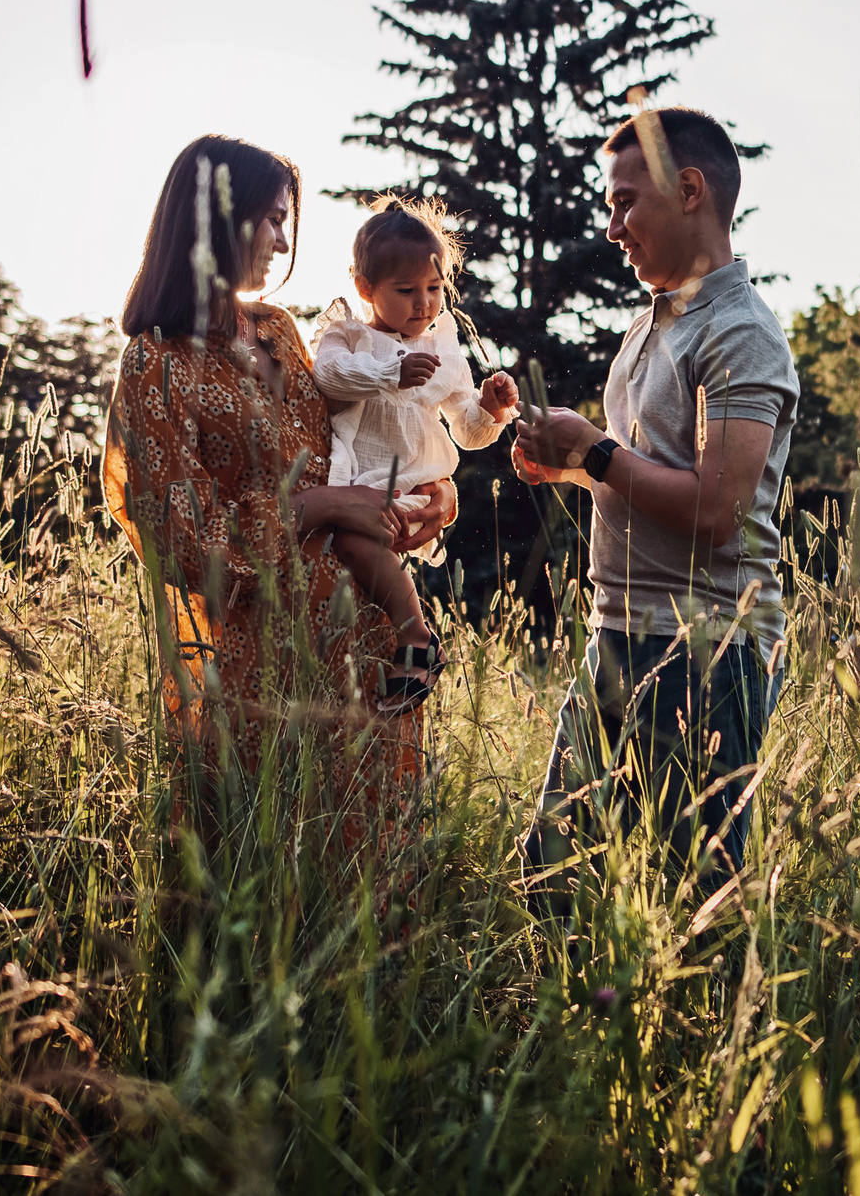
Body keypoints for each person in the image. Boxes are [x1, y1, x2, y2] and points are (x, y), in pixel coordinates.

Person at [101, 136, 452, 854]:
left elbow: (356, 449)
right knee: (269, 901)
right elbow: (183, 546)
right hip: (259, 683)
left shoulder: (282, 332)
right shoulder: (154, 363)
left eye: (285, 218)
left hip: (367, 657)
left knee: (370, 908)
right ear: (210, 219)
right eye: (266, 218)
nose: (282, 238)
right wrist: (318, 507)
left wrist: (425, 497)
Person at [512, 106, 799, 899]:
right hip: (617, 635)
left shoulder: (741, 332)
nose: (613, 226)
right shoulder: (649, 326)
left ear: (691, 190)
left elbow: (717, 511)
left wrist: (595, 450)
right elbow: (643, 477)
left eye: (625, 201)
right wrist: (567, 465)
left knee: (685, 904)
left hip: (705, 649)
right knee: (555, 883)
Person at [308, 198, 520, 642]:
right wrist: (390, 373)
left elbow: (466, 431)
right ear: (365, 287)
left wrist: (489, 410)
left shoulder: (443, 349)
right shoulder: (348, 334)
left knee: (368, 559)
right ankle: (415, 633)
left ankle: (411, 637)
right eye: (405, 291)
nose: (423, 304)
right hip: (356, 486)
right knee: (351, 549)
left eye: (434, 288)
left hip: (417, 490)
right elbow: (328, 377)